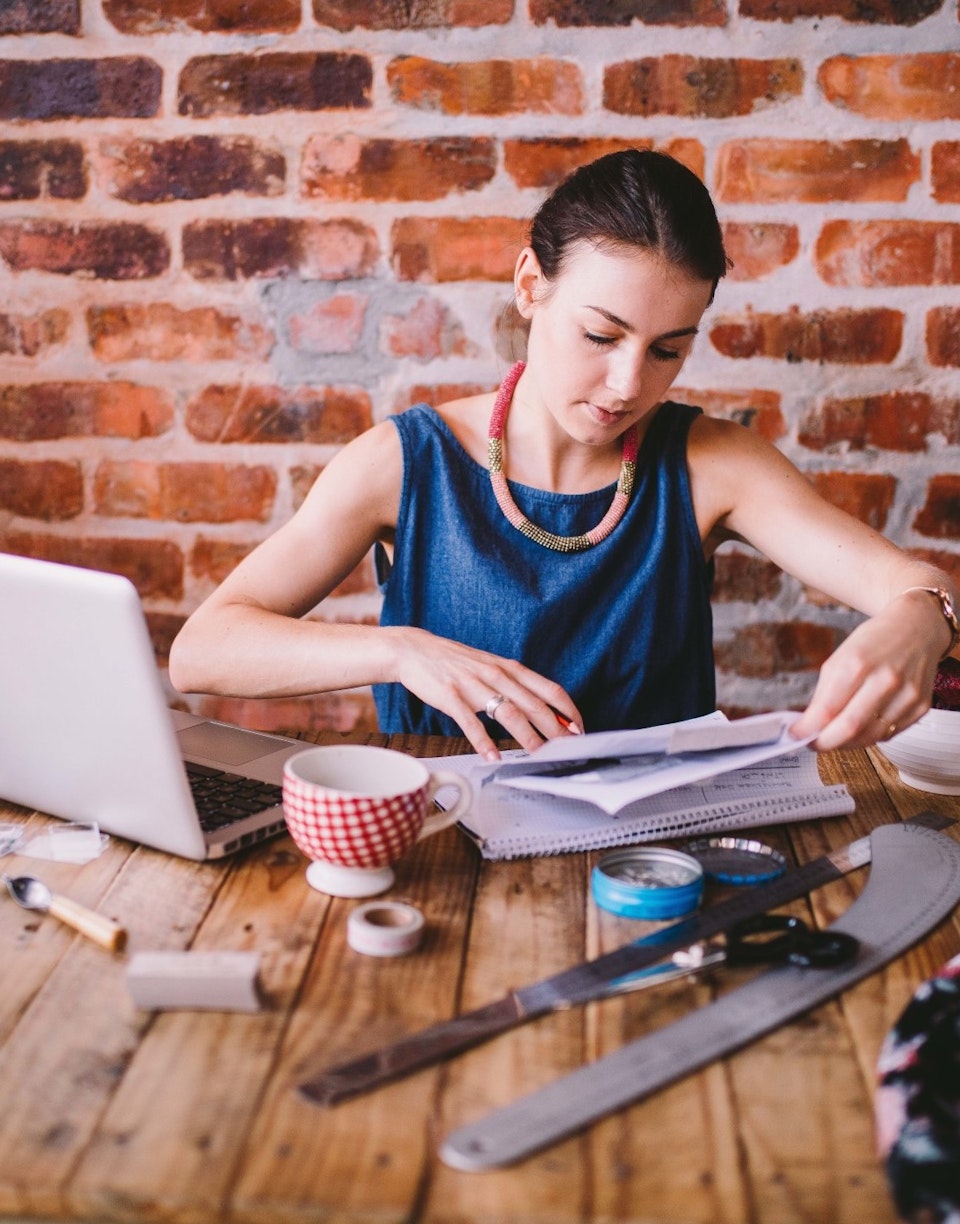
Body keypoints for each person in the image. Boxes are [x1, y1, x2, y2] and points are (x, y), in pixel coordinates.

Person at [169, 149, 959, 763]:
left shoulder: (712, 462)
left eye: (667, 351)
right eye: (601, 335)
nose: (626, 384)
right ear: (529, 285)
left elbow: (912, 587)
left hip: (653, 855)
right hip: (446, 839)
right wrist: (398, 651)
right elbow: (202, 652)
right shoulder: (405, 461)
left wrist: (922, 620)